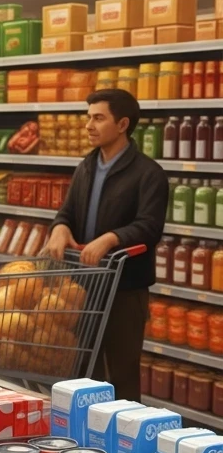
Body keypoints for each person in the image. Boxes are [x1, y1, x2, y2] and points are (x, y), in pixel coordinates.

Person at [44, 89, 168, 400]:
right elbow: (68, 211)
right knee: (85, 370)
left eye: (98, 118)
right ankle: (89, 443)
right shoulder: (86, 166)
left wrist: (111, 239)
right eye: (88, 117)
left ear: (123, 123)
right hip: (84, 285)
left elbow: (149, 227)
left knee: (123, 374)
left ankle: (128, 444)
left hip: (125, 289)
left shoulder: (148, 173)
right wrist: (59, 227)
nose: (89, 125)